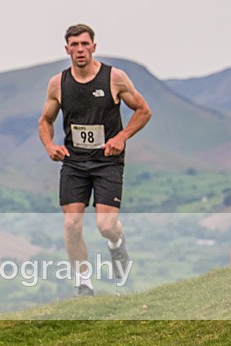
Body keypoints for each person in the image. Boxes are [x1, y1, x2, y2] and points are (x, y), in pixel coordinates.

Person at [38, 23, 152, 296]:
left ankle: (117, 243)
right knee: (71, 225)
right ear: (67, 49)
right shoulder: (58, 84)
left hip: (107, 161)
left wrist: (121, 137)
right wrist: (49, 146)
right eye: (74, 45)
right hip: (74, 162)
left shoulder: (114, 78)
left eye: (84, 44)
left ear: (94, 47)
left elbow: (143, 111)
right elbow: (45, 121)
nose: (80, 49)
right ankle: (84, 284)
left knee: (105, 226)